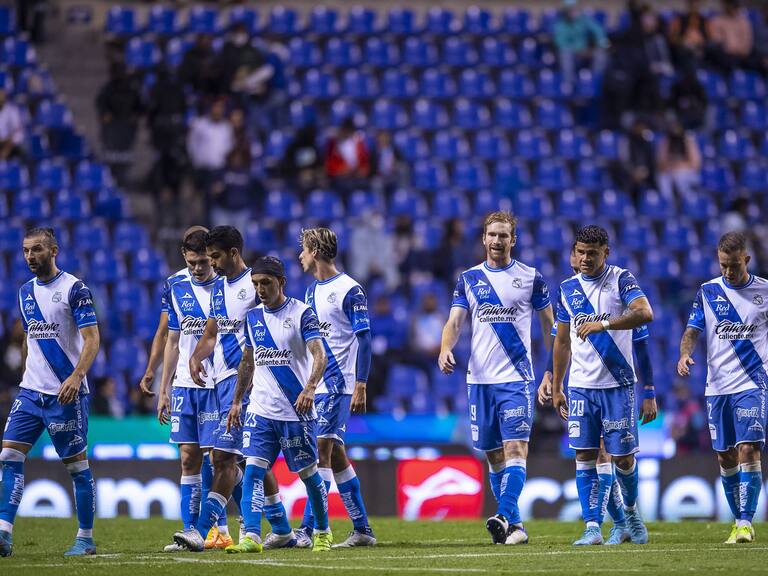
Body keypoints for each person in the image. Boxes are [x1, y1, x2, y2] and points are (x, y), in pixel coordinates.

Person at [438, 211, 554, 545]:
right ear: (484, 238)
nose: (497, 241)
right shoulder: (469, 279)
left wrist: (551, 372)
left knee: (516, 448)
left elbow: (550, 328)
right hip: (479, 380)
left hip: (517, 379)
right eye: (492, 235)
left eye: (504, 235)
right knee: (493, 454)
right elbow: (455, 322)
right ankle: (515, 526)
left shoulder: (532, 278)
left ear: (513, 240)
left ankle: (502, 513)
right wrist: (446, 348)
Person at [539, 243, 657, 545]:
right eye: (580, 252)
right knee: (585, 455)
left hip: (617, 385)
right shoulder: (567, 289)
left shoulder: (621, 280)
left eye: (591, 253)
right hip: (581, 387)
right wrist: (557, 384)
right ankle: (592, 527)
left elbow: (645, 315)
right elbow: (561, 342)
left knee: (623, 460)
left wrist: (648, 390)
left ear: (605, 252)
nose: (584, 259)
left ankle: (629, 513)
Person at [0, 228, 100, 557]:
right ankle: (3, 532)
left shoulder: (74, 289)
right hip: (30, 394)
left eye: (37, 249)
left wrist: (76, 376)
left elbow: (92, 338)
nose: (30, 256)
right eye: (26, 250)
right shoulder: (24, 292)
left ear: (53, 250)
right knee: (9, 456)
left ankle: (85, 538)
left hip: (65, 395)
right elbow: (34, 343)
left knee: (76, 467)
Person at [223, 256, 333, 554]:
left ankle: (322, 531)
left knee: (309, 474)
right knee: (253, 470)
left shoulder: (302, 313)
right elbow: (248, 361)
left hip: (295, 412)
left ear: (281, 282)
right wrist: (236, 402)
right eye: (256, 284)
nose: (260, 289)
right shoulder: (252, 318)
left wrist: (310, 388)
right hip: (260, 410)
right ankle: (251, 536)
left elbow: (320, 355)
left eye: (266, 283)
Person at [677, 231, 768, 544]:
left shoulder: (764, 292)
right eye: (723, 265)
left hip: (753, 382)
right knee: (726, 457)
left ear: (747, 260)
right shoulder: (708, 292)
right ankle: (738, 520)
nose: (728, 271)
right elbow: (692, 329)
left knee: (748, 448)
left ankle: (745, 522)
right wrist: (685, 353)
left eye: (733, 265)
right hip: (717, 386)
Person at [172, 226, 255, 552]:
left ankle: (201, 530)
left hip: (245, 381)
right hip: (219, 381)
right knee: (242, 460)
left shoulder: (255, 285)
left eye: (216, 257)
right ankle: (275, 526)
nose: (212, 264)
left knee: (225, 459)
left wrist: (243, 390)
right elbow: (210, 334)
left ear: (233, 253)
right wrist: (195, 358)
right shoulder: (220, 289)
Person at [293, 227, 376, 548]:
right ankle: (362, 529)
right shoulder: (311, 291)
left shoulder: (350, 289)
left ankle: (307, 528)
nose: (300, 255)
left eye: (303, 249)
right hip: (318, 386)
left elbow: (364, 340)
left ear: (314, 250)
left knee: (321, 453)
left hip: (339, 385)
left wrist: (361, 384)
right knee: (336, 455)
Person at [156, 229, 219, 552]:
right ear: (184, 256)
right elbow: (173, 339)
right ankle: (189, 530)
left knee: (216, 457)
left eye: (204, 261)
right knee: (187, 458)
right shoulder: (174, 285)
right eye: (192, 262)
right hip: (183, 385)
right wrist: (163, 388)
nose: (198, 268)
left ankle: (217, 529)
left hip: (215, 383)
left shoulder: (226, 285)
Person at [553, 0, 609, 87]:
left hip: (585, 50)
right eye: (570, 10)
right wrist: (577, 50)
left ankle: (595, 81)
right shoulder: (560, 24)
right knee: (564, 54)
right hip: (571, 51)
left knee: (601, 54)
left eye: (575, 9)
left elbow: (598, 30)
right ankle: (569, 84)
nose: (574, 12)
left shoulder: (584, 20)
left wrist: (601, 43)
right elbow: (561, 43)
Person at [656, 123, 701, 202]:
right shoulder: (666, 141)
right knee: (662, 177)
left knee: (680, 176)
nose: (676, 131)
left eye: (678, 128)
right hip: (670, 170)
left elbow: (696, 164)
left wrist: (681, 165)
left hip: (687, 171)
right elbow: (660, 163)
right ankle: (668, 203)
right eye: (673, 128)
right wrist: (671, 165)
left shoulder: (688, 140)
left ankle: (687, 203)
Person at [0, 89, 24, 160]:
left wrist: (6, 150)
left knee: (24, 148)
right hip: (1, 142)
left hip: (12, 144)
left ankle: (23, 169)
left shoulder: (12, 111)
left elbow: (16, 133)